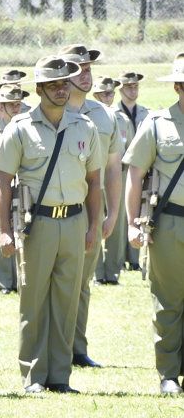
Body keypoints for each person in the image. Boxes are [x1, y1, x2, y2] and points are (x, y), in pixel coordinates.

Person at [0, 56, 102, 394]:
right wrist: (4, 230)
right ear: (39, 89)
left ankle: (60, 375)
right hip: (35, 224)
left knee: (67, 300)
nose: (62, 89)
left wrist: (93, 226)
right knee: (34, 300)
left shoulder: (84, 126)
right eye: (54, 84)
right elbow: (3, 183)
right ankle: (33, 375)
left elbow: (94, 182)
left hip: (73, 221)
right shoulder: (20, 127)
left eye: (65, 83)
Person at [59, 44, 123, 370]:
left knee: (82, 281)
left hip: (91, 208)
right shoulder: (52, 112)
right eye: (78, 68)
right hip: (59, 205)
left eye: (88, 68)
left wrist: (112, 214)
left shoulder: (105, 116)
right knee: (56, 282)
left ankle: (76, 348)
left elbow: (113, 168)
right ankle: (52, 347)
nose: (85, 74)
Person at [123, 54, 184, 395]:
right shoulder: (158, 123)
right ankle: (169, 374)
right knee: (169, 301)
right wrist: (133, 223)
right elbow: (135, 173)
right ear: (177, 87)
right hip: (170, 222)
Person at [0, 83, 30, 295]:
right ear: (0, 106)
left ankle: (22, 275)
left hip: (22, 187)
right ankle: (3, 281)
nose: (15, 108)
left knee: (22, 229)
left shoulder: (27, 129)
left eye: (18, 104)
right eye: (10, 104)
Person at [92, 76, 133, 285]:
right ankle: (97, 271)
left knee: (116, 224)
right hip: (94, 178)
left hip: (118, 175)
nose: (109, 97)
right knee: (95, 222)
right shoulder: (89, 117)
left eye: (111, 93)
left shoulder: (122, 120)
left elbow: (130, 149)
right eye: (104, 93)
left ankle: (113, 271)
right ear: (96, 95)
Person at [118, 72, 149, 271]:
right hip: (120, 170)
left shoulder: (146, 113)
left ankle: (135, 258)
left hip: (142, 168)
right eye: (129, 86)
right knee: (121, 215)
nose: (133, 90)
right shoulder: (114, 114)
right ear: (120, 89)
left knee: (140, 212)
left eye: (136, 86)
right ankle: (118, 258)